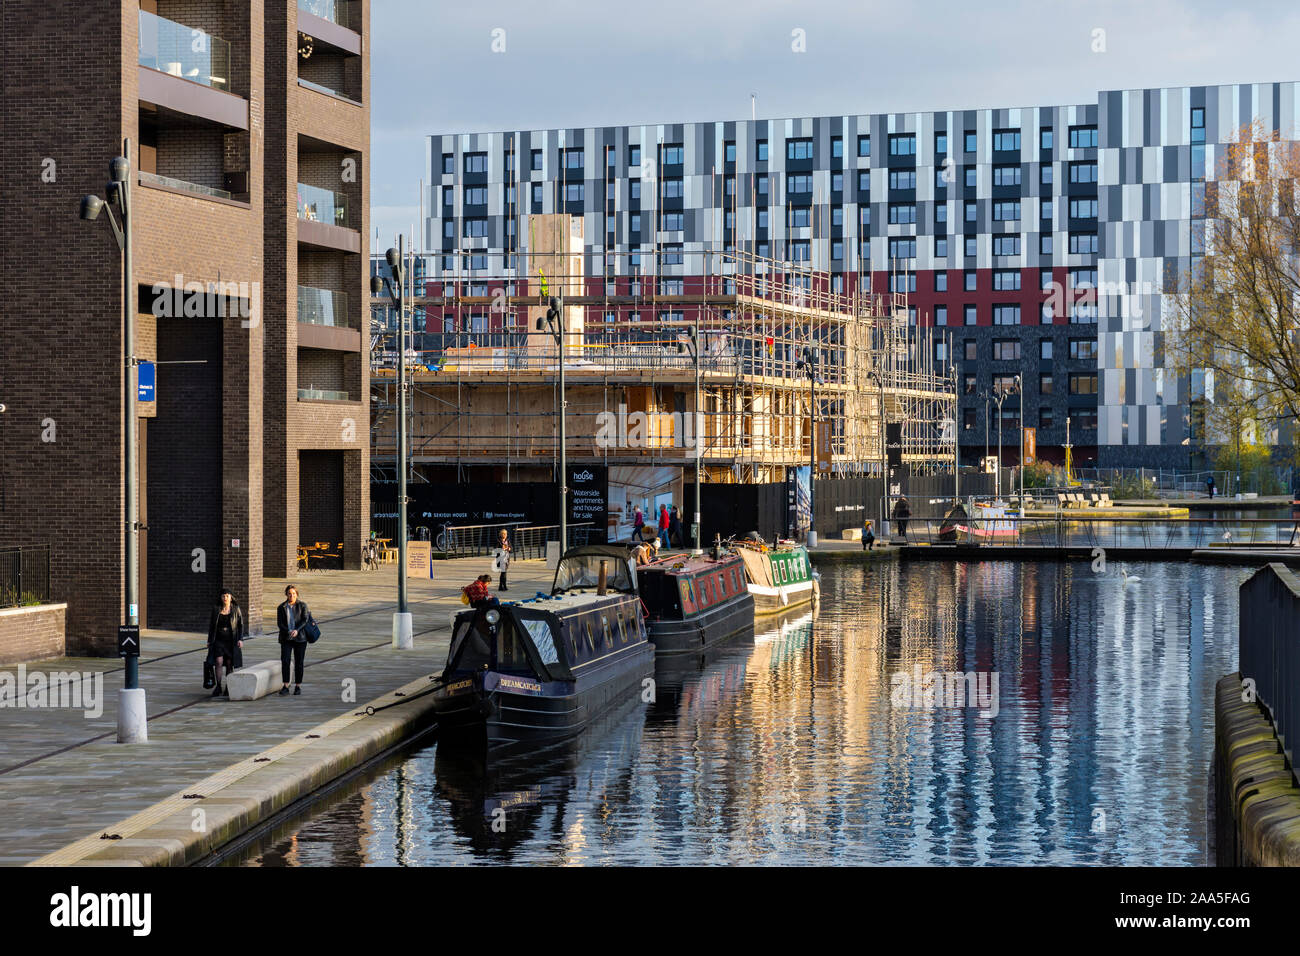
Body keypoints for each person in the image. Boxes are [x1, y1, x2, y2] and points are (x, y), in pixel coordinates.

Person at [206, 589, 245, 699]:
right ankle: (218, 686)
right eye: (223, 596)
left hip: (231, 640)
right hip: (218, 640)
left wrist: (240, 639)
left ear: (231, 597)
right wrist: (209, 640)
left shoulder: (236, 609)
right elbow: (211, 626)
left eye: (227, 596)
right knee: (218, 661)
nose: (225, 598)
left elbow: (240, 625)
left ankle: (228, 686)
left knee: (229, 663)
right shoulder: (216, 609)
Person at [277, 584, 314, 697]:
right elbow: (280, 624)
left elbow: (305, 620)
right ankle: (286, 685)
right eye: (289, 594)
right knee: (285, 661)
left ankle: (298, 686)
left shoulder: (302, 605)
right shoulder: (281, 607)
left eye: (293, 594)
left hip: (300, 638)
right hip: (286, 638)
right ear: (286, 595)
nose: (291, 595)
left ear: (297, 594)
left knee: (299, 662)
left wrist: (297, 630)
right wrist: (288, 631)